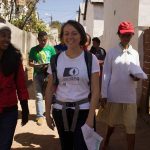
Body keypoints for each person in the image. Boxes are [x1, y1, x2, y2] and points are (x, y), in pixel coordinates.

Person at [45, 20, 100, 150]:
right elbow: (49, 89)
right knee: (66, 146)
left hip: (83, 111)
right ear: (62, 37)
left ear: (81, 36)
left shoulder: (91, 59)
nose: (70, 37)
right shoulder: (56, 59)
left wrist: (91, 117)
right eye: (66, 33)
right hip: (60, 111)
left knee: (82, 147)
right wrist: (47, 114)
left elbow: (96, 90)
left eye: (74, 33)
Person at [100, 21, 140, 150]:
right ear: (119, 35)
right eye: (123, 35)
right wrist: (104, 94)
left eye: (128, 35)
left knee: (131, 126)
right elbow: (106, 74)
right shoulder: (112, 53)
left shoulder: (135, 54)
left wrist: (136, 77)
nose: (126, 38)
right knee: (111, 124)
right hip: (114, 95)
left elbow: (137, 71)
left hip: (130, 96)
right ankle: (106, 142)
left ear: (132, 35)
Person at [0, 23, 29, 150]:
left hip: (9, 110)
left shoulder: (15, 57)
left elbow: (21, 85)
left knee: (5, 145)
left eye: (9, 37)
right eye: (2, 36)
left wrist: (25, 108)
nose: (6, 39)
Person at [29, 31, 56, 126]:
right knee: (39, 95)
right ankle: (40, 116)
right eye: (41, 40)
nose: (43, 42)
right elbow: (30, 62)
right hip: (37, 75)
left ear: (47, 39)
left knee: (50, 95)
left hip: (49, 75)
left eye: (44, 40)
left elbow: (54, 61)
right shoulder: (33, 50)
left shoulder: (51, 49)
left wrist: (49, 65)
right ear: (38, 40)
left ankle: (51, 114)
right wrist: (36, 65)